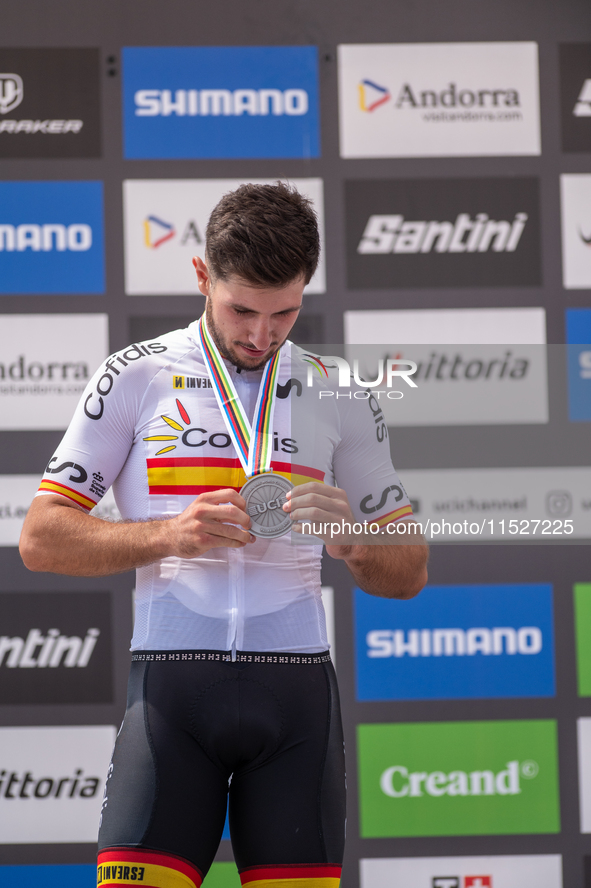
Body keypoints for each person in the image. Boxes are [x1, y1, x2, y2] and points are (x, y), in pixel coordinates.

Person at [20, 182, 428, 888]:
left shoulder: (341, 391)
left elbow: (409, 571)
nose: (261, 335)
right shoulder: (136, 375)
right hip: (172, 697)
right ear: (201, 276)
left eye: (285, 312)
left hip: (296, 701)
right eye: (242, 309)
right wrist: (166, 535)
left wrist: (355, 538)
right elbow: (42, 538)